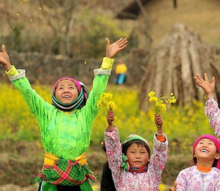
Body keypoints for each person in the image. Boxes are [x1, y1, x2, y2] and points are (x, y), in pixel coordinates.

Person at [0, 38, 127, 191]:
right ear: (54, 94)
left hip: (79, 180)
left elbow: (98, 91)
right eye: (61, 88)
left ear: (79, 94)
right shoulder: (45, 112)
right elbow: (28, 92)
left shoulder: (86, 114)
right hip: (51, 179)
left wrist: (108, 60)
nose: (66, 90)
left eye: (70, 87)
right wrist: (9, 67)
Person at [104, 110, 168, 190]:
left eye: (142, 152)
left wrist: (159, 129)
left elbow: (160, 153)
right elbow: (113, 151)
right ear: (125, 155)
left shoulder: (153, 172)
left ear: (149, 157)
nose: (138, 156)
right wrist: (110, 125)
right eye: (133, 152)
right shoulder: (120, 171)